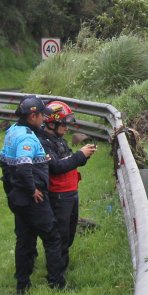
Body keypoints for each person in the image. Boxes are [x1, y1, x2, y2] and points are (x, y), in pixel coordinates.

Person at [0, 95, 65, 294]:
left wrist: (41, 159)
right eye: (41, 116)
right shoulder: (27, 137)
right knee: (52, 237)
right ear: (33, 115)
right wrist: (32, 189)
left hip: (16, 196)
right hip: (32, 197)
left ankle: (23, 285)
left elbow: (5, 161)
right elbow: (23, 166)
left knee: (25, 239)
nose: (44, 120)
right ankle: (56, 283)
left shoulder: (12, 130)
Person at [39, 100, 96, 273]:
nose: (67, 128)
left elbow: (70, 161)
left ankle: (62, 267)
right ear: (52, 123)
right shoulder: (44, 142)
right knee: (60, 236)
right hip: (58, 195)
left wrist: (84, 156)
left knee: (69, 233)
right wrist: (80, 155)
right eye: (64, 124)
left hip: (70, 192)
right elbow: (56, 167)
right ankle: (56, 277)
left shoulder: (60, 140)